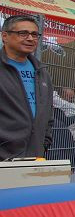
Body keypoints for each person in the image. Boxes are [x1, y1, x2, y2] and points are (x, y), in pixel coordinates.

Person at [0, 15, 53, 160]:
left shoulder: (42, 73)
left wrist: (44, 144)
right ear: (5, 36)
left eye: (35, 34)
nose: (30, 38)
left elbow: (48, 115)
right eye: (23, 33)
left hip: (34, 158)